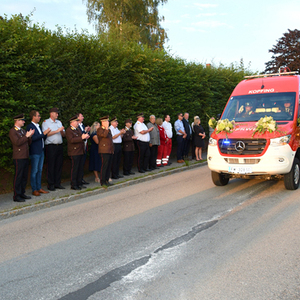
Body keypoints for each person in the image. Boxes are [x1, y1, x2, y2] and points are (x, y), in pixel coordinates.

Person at [9, 114, 35, 202]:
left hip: (25, 156)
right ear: (17, 121)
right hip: (18, 157)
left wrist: (30, 136)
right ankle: (16, 195)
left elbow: (28, 142)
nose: (24, 122)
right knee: (18, 176)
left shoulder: (23, 131)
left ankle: (22, 193)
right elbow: (17, 142)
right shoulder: (13, 131)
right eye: (22, 120)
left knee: (24, 176)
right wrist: (26, 136)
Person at [26, 110, 51, 196]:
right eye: (38, 115)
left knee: (40, 170)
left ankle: (39, 187)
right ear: (34, 117)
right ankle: (34, 189)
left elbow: (41, 138)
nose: (39, 117)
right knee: (34, 171)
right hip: (35, 151)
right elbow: (33, 139)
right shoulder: (30, 126)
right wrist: (44, 133)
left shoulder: (38, 126)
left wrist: (45, 134)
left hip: (41, 150)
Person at [42, 107, 65, 191]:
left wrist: (62, 131)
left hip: (59, 145)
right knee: (51, 165)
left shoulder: (59, 122)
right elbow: (46, 134)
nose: (57, 115)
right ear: (51, 114)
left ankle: (57, 183)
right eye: (56, 113)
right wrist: (57, 130)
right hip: (51, 146)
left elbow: (63, 135)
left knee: (59, 165)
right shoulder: (46, 122)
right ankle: (50, 184)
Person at [66, 115, 90, 190]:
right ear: (72, 122)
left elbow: (80, 137)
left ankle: (79, 182)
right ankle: (74, 184)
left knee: (80, 168)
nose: (77, 123)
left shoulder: (78, 129)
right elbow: (71, 140)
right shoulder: (69, 130)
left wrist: (85, 136)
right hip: (74, 152)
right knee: (75, 168)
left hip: (80, 151)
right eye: (76, 121)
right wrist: (81, 138)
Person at [97, 116, 114, 186]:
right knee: (105, 166)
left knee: (108, 166)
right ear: (102, 122)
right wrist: (106, 128)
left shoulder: (108, 129)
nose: (108, 123)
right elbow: (104, 135)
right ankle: (103, 181)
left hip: (109, 150)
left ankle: (107, 180)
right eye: (106, 121)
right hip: (104, 150)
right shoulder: (100, 129)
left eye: (108, 121)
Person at [77, 112, 91, 185]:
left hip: (84, 146)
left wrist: (87, 131)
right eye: (81, 116)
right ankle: (78, 180)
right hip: (79, 147)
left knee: (82, 163)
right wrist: (85, 131)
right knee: (79, 164)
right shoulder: (77, 126)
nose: (83, 117)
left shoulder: (82, 125)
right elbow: (81, 135)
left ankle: (81, 178)